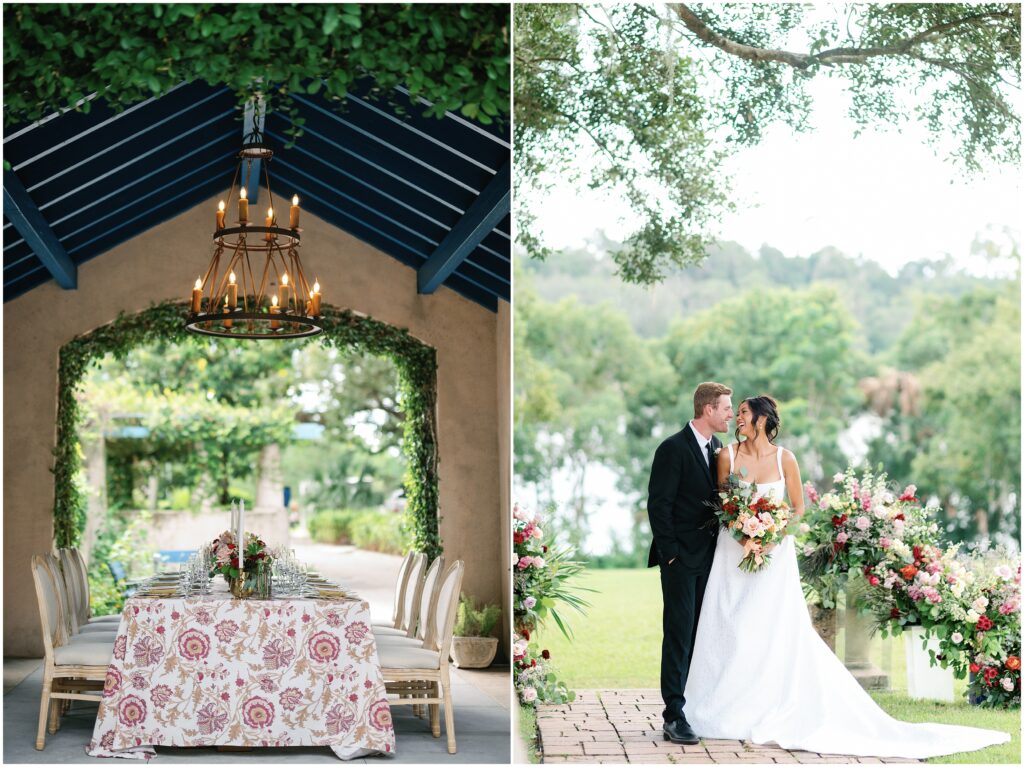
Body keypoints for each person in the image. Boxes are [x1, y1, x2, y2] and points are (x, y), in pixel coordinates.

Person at [684, 395, 1010, 759]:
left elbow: (798, 509)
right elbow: (725, 505)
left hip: (775, 556)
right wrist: (746, 535)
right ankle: (723, 705)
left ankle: (765, 702)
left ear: (761, 420)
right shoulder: (726, 455)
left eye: (743, 413)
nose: (738, 419)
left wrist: (770, 535)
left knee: (770, 627)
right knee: (730, 622)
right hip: (734, 553)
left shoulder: (784, 459)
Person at [646, 381, 734, 745]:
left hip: (713, 560)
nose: (731, 414)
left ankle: (695, 707)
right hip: (681, 561)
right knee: (679, 636)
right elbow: (658, 505)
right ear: (708, 409)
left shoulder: (718, 450)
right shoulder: (672, 448)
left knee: (703, 634)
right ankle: (674, 715)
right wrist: (671, 555)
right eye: (727, 408)